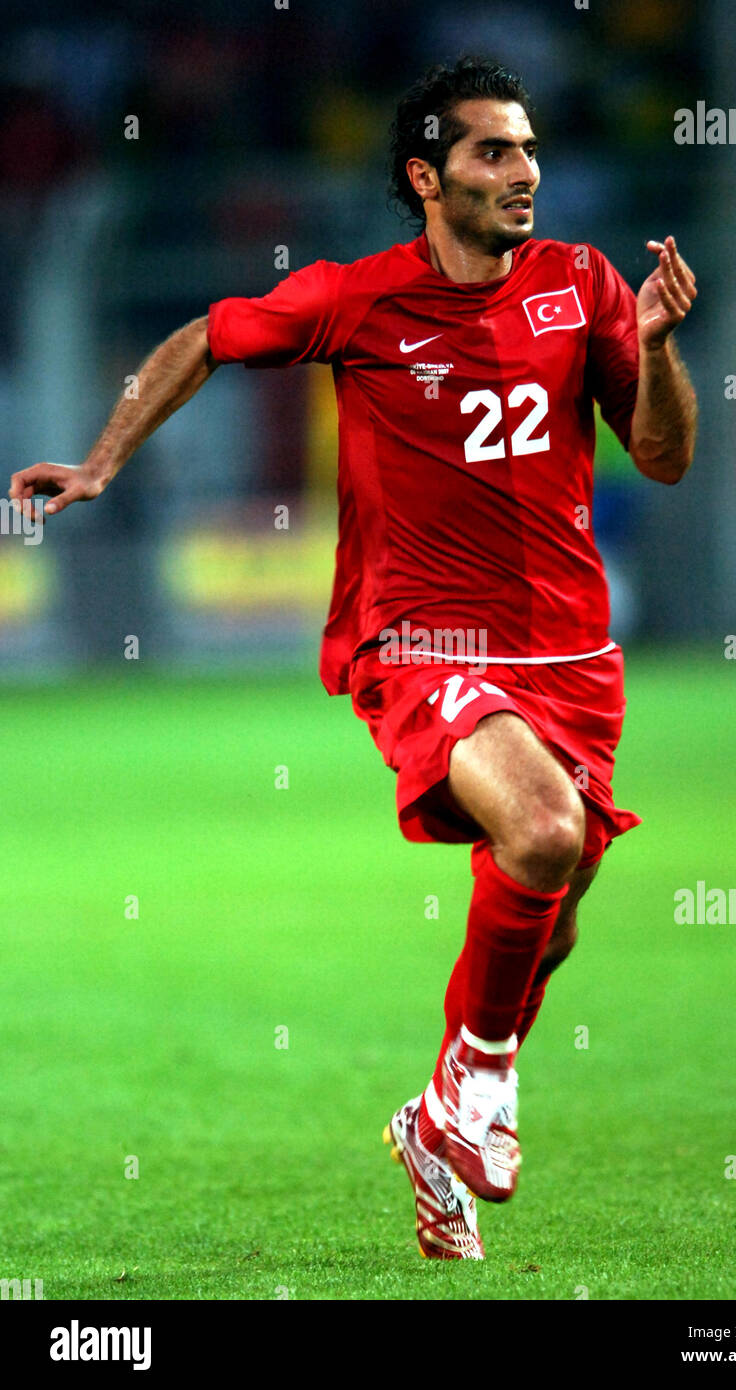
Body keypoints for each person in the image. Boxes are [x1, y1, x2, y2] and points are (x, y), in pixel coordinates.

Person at [9, 56, 697, 1261]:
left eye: (528, 147)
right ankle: (475, 1091)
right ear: (426, 178)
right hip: (419, 637)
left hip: (572, 652)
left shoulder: (584, 286)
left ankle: (440, 1123)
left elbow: (664, 456)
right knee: (541, 835)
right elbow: (204, 337)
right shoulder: (357, 301)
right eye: (492, 152)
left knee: (558, 903)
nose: (524, 171)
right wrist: (103, 460)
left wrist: (654, 346)